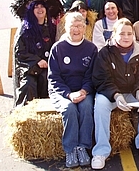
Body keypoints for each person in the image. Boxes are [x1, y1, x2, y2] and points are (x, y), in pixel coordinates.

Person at [91, 18, 139, 169]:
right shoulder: (105, 53)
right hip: (112, 94)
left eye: (129, 33)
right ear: (114, 35)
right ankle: (101, 151)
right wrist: (116, 95)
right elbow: (101, 79)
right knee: (100, 104)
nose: (126, 37)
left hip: (132, 93)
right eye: (122, 33)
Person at [48, 12, 98, 168]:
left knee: (86, 107)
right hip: (62, 91)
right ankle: (70, 149)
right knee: (69, 109)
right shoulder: (58, 48)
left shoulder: (91, 48)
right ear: (65, 28)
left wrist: (84, 91)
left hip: (83, 90)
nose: (76, 29)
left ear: (84, 28)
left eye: (79, 26)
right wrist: (68, 94)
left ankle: (82, 147)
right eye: (72, 26)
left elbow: (91, 76)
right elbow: (54, 78)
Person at [10, 0, 63, 107]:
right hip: (29, 68)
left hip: (49, 67)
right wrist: (37, 61)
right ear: (31, 10)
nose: (40, 9)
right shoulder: (25, 30)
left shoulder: (52, 28)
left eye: (42, 6)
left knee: (50, 81)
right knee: (28, 85)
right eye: (36, 7)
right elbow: (20, 53)